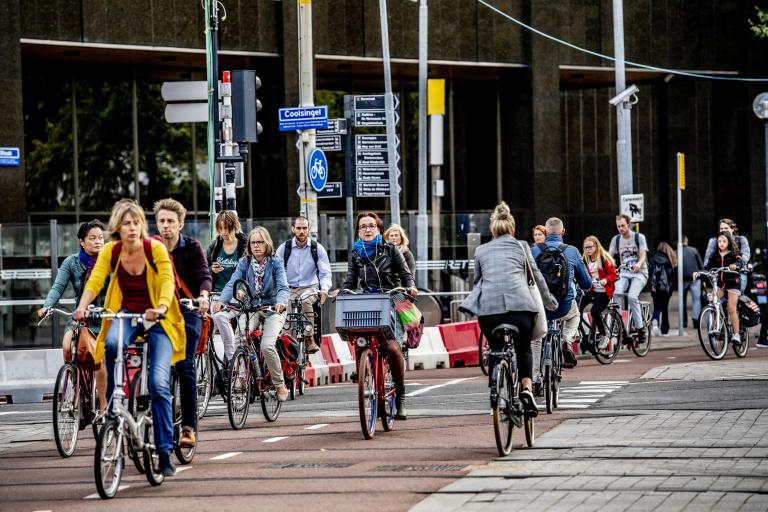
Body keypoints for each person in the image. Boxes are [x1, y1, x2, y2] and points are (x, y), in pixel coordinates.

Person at [74, 199, 184, 477]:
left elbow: (168, 281)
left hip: (159, 319)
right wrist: (82, 306)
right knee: (111, 343)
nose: (132, 228)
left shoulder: (154, 248)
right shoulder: (110, 252)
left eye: (136, 223)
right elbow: (96, 280)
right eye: (126, 223)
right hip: (127, 315)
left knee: (159, 384)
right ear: (117, 228)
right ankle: (113, 404)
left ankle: (163, 451)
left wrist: (159, 308)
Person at [460, 202, 557, 416]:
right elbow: (537, 276)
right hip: (521, 309)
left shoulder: (481, 250)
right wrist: (549, 301)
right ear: (512, 229)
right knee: (524, 348)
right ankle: (526, 389)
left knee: (495, 348)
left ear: (493, 230)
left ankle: (497, 383)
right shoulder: (522, 246)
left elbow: (477, 282)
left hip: (489, 313)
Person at [342, 211, 417, 419]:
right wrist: (342, 291)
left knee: (393, 348)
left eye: (371, 226)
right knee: (359, 340)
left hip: (392, 299)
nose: (367, 229)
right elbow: (350, 281)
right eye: (363, 226)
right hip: (368, 302)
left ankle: (400, 396)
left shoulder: (391, 249)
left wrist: (410, 287)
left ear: (379, 230)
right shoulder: (356, 253)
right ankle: (366, 374)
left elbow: (406, 275)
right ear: (358, 231)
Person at [153, 199, 212, 448]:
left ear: (180, 224)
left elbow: (203, 275)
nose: (165, 226)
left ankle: (188, 427)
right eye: (161, 221)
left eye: (170, 222)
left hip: (188, 310)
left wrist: (204, 297)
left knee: (185, 365)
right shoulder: (151, 247)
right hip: (158, 312)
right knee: (149, 365)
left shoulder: (192, 247)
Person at [38, 220, 108, 417]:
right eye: (92, 238)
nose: (98, 242)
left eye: (101, 238)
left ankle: (103, 405)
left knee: (99, 360)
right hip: (80, 315)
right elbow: (58, 287)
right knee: (67, 345)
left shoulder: (108, 261)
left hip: (103, 316)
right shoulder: (71, 262)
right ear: (82, 242)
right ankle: (73, 384)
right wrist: (47, 306)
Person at [212, 227, 290, 402]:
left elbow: (283, 287)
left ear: (267, 243)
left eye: (260, 242)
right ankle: (240, 376)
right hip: (253, 307)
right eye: (253, 242)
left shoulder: (275, 261)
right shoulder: (245, 262)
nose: (256, 246)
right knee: (240, 338)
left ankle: (279, 384)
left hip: (272, 309)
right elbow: (234, 282)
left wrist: (281, 303)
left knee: (267, 345)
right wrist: (223, 300)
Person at [531, 217, 592, 369]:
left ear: (546, 232)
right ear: (563, 232)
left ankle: (536, 378)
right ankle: (567, 340)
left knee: (536, 339)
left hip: (541, 307)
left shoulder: (533, 251)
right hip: (564, 306)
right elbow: (586, 283)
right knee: (575, 315)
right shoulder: (572, 251)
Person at [275, 216, 332, 354]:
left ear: (309, 229)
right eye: (299, 228)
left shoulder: (317, 248)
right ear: (293, 229)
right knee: (286, 308)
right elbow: (275, 271)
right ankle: (286, 341)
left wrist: (324, 289)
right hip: (289, 288)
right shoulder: (284, 248)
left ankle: (309, 338)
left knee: (306, 301)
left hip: (310, 287)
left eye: (304, 228)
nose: (301, 231)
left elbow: (325, 273)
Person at [696, 231, 744, 345]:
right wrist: (699, 273)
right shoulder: (715, 254)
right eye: (719, 241)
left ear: (729, 242)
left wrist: (736, 265)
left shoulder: (733, 253)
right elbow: (708, 267)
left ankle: (736, 334)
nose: (721, 243)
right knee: (713, 301)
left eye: (724, 241)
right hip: (720, 284)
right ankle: (716, 327)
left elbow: (740, 262)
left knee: (731, 308)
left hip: (733, 283)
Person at [609, 214, 649, 342]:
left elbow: (643, 255)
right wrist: (610, 266)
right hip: (624, 273)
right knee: (616, 293)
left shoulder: (639, 237)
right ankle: (620, 326)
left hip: (640, 272)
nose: (621, 228)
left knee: (632, 296)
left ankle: (640, 328)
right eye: (618, 226)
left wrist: (638, 264)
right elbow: (610, 257)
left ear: (628, 224)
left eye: (623, 226)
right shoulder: (616, 240)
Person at [580, 236, 618, 350]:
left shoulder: (603, 258)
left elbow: (613, 275)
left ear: (596, 246)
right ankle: (584, 336)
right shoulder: (584, 260)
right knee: (576, 310)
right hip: (592, 290)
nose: (588, 250)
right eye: (586, 248)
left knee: (595, 311)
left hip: (604, 291)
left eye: (590, 247)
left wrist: (605, 280)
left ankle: (603, 334)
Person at [704, 218, 751, 292]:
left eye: (726, 228)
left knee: (737, 294)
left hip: (737, 273)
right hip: (720, 274)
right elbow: (708, 258)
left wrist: (738, 264)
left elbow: (745, 255)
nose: (723, 230)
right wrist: (706, 272)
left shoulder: (741, 239)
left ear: (732, 229)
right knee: (714, 299)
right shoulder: (714, 241)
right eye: (721, 228)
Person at [207, 210, 248, 293]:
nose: (223, 232)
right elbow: (203, 271)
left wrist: (243, 289)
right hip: (216, 293)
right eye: (220, 228)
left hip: (238, 294)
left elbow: (251, 272)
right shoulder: (214, 246)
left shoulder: (245, 247)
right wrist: (211, 270)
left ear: (234, 226)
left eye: (226, 228)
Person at [649, 242, 677, 336]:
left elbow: (651, 273)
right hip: (666, 289)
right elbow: (672, 276)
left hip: (655, 288)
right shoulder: (670, 259)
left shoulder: (653, 259)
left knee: (656, 306)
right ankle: (665, 331)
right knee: (665, 308)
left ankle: (655, 321)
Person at [680, 236, 704, 329]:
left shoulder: (676, 252)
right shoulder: (694, 250)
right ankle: (696, 320)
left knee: (682, 301)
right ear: (687, 241)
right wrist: (702, 278)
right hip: (695, 279)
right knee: (696, 300)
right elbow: (700, 265)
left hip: (682, 280)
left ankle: (683, 322)